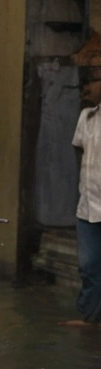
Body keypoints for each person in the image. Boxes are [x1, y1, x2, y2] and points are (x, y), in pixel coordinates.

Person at [70, 60, 101, 325]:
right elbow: (79, 149)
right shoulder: (86, 117)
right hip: (88, 205)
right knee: (89, 265)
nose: (85, 87)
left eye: (92, 80)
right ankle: (89, 316)